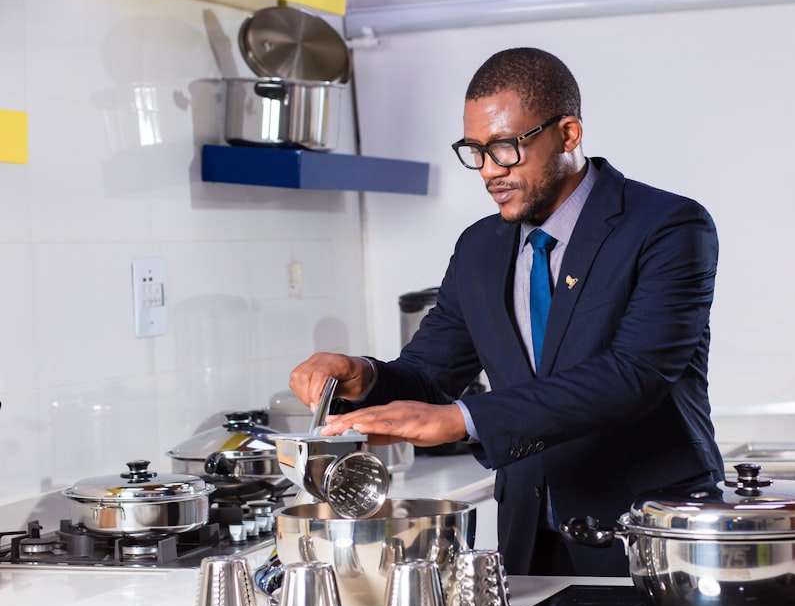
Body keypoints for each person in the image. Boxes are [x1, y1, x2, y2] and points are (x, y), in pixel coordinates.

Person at [288, 47, 724, 577]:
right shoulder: (479, 248)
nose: (490, 170)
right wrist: (364, 376)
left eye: (506, 147)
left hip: (648, 532)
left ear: (568, 134)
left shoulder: (667, 226)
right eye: (476, 150)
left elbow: (634, 375)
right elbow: (430, 375)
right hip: (528, 535)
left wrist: (464, 419)